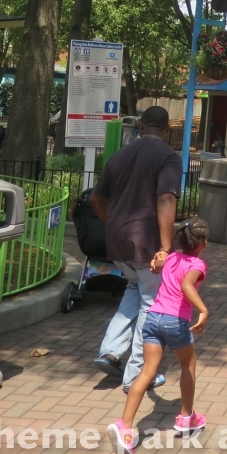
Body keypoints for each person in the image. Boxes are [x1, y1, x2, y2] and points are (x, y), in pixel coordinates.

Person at [92, 105, 182, 393]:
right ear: (166, 129)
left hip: (117, 240)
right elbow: (166, 199)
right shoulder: (168, 157)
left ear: (141, 126)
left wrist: (113, 223)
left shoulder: (119, 156)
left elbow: (96, 198)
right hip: (146, 242)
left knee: (134, 290)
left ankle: (110, 351)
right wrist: (166, 247)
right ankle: (138, 374)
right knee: (151, 303)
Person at [107, 218, 210, 454]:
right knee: (188, 364)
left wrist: (156, 263)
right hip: (175, 321)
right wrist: (203, 310)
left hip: (153, 318)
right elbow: (187, 285)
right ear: (203, 243)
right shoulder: (197, 263)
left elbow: (156, 267)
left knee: (147, 372)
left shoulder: (171, 257)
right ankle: (186, 417)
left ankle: (124, 425)